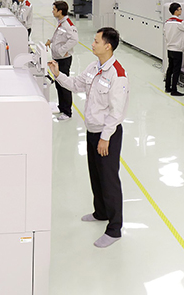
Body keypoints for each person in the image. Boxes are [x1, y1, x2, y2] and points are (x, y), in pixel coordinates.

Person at [48, 27, 129, 248]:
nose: (92, 44)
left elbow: (117, 111)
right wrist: (58, 74)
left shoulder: (117, 74)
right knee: (95, 174)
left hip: (107, 135)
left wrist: (105, 137)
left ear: (107, 46)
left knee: (109, 179)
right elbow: (76, 84)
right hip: (93, 130)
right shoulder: (95, 67)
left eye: (95, 41)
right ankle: (101, 212)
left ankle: (114, 229)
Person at [46, 1, 79, 121]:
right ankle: (61, 107)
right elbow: (59, 36)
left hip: (63, 59)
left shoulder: (68, 25)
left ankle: (67, 112)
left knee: (64, 85)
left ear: (60, 11)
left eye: (54, 9)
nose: (52, 11)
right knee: (59, 84)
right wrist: (50, 41)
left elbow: (74, 40)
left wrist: (61, 50)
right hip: (57, 58)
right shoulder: (61, 23)